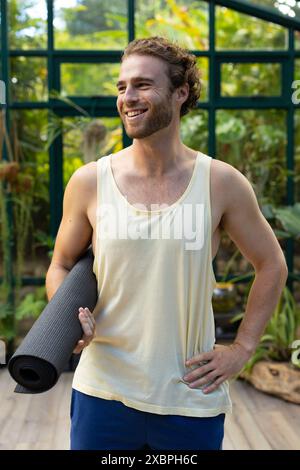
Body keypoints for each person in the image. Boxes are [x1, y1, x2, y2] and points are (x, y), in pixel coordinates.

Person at [45, 36, 288, 450]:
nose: (127, 98)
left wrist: (243, 347)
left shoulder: (221, 182)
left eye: (142, 85)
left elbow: (272, 265)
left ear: (181, 92)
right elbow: (61, 264)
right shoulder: (89, 182)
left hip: (189, 395)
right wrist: (69, 321)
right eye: (122, 87)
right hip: (103, 391)